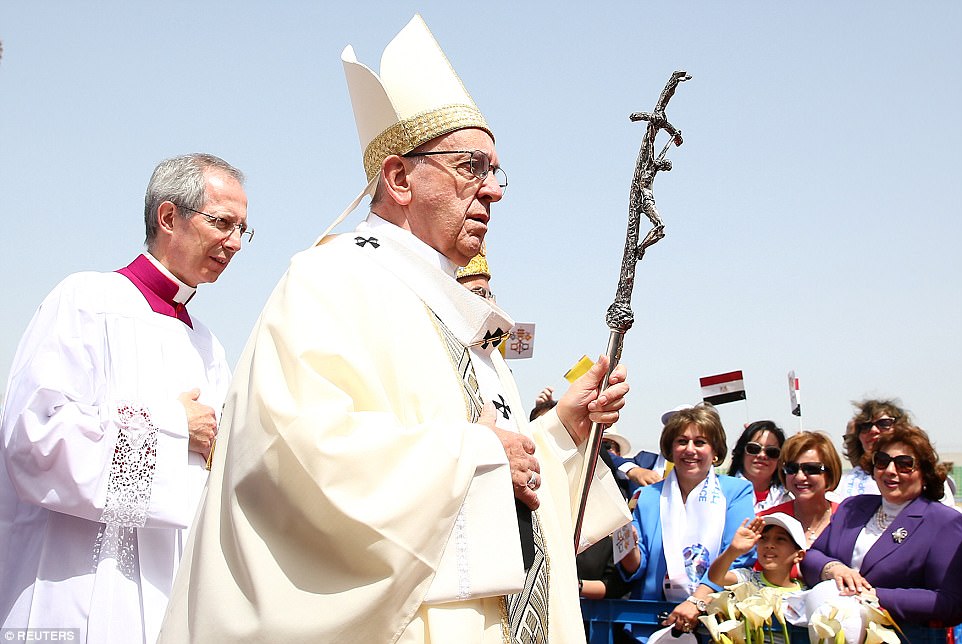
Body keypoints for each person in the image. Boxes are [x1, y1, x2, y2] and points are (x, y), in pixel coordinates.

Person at [159, 15, 630, 644]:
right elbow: (293, 455)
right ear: (400, 178)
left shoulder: (463, 314)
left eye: (496, 171)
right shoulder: (330, 279)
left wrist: (561, 431)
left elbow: (508, 471)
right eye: (472, 167)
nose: (494, 191)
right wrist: (479, 454)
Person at [0, 153, 249, 643]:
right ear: (169, 217)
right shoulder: (87, 300)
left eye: (243, 229)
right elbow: (35, 440)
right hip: (76, 585)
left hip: (167, 595)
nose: (235, 243)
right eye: (223, 223)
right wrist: (171, 427)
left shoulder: (208, 345)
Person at [802, 425, 962, 626]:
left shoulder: (945, 522)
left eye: (904, 464)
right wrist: (834, 569)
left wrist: (873, 596)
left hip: (905, 634)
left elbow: (949, 601)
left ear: (924, 472)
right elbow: (811, 557)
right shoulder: (852, 507)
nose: (890, 471)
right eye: (882, 461)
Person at [618, 404, 754, 638]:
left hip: (716, 625)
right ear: (670, 449)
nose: (690, 449)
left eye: (700, 442)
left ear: (715, 452)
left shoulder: (737, 492)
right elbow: (635, 568)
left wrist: (697, 601)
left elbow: (739, 559)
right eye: (682, 441)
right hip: (654, 624)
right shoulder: (646, 496)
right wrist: (627, 545)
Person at [759, 430, 843, 547]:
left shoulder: (848, 518)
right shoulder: (766, 520)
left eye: (811, 468)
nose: (800, 477)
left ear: (829, 473)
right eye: (791, 468)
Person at [708, 513, 807, 592]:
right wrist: (733, 550)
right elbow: (716, 577)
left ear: (799, 555)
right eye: (763, 538)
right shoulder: (747, 579)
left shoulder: (803, 595)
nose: (769, 545)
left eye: (780, 539)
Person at [837, 399, 908, 498]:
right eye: (865, 426)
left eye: (884, 424)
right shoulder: (842, 484)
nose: (873, 430)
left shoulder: (913, 476)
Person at [727, 420, 791, 513]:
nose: (762, 455)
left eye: (772, 452)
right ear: (741, 452)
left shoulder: (791, 497)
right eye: (754, 448)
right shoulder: (721, 493)